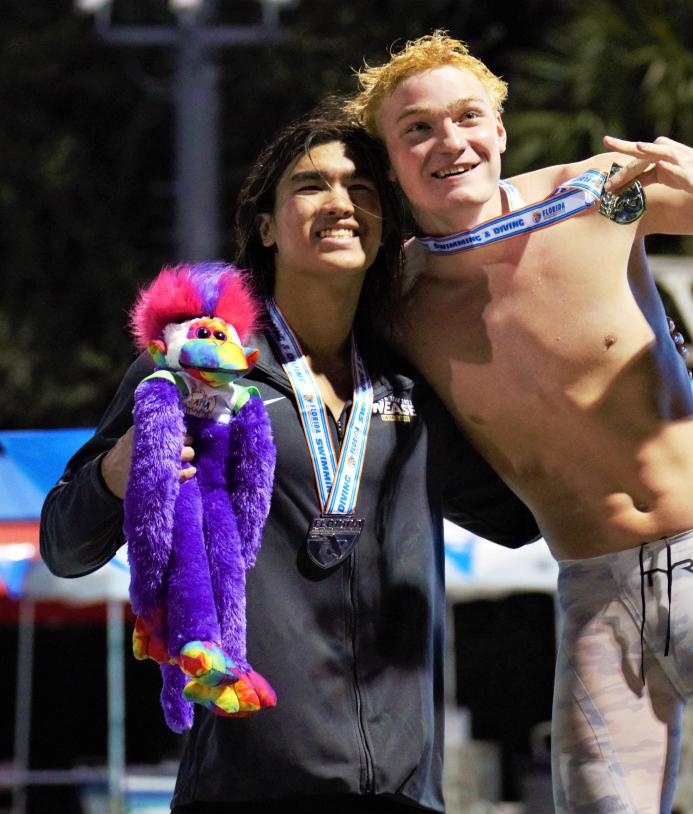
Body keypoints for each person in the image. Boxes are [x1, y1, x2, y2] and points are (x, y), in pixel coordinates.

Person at [346, 32, 693, 814]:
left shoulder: (593, 195)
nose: (447, 141)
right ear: (389, 162)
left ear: (498, 129)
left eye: (464, 117)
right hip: (599, 599)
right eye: (416, 129)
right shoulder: (395, 306)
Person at [40, 109, 541, 813]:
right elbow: (64, 545)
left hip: (404, 796)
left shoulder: (410, 379)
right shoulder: (200, 373)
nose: (340, 203)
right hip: (246, 792)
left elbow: (520, 518)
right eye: (311, 186)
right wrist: (115, 475)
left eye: (362, 188)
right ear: (267, 226)